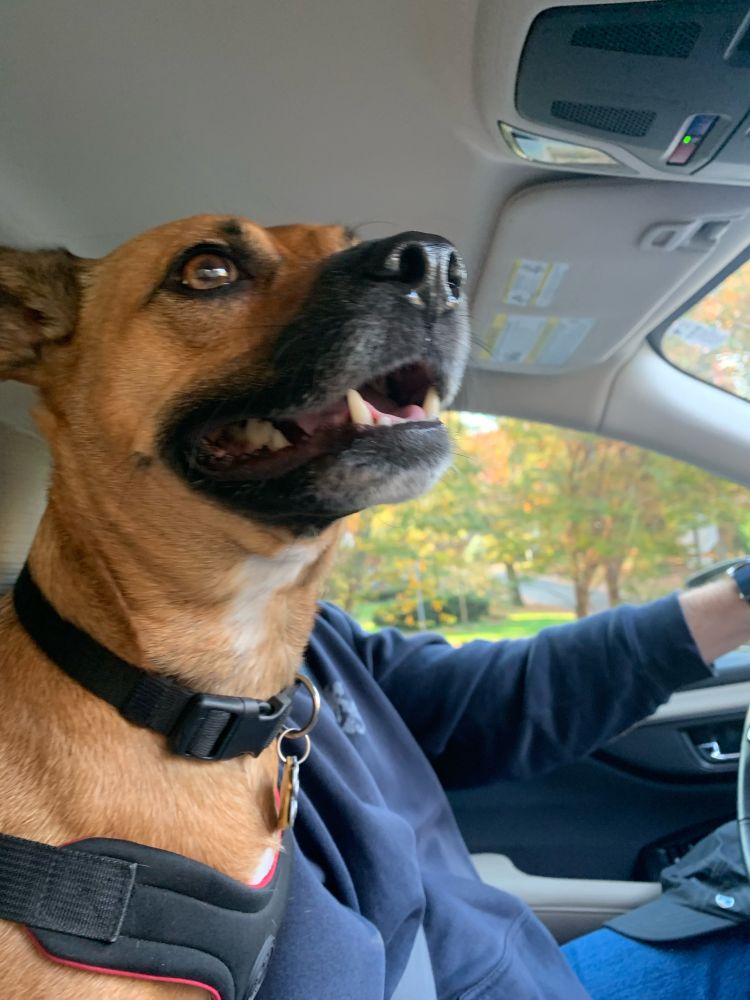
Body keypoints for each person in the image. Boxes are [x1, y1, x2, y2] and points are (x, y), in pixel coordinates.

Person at [255, 566, 750, 999]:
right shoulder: (190, 743)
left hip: (517, 972)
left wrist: (738, 601)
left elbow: (489, 699)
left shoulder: (302, 625)